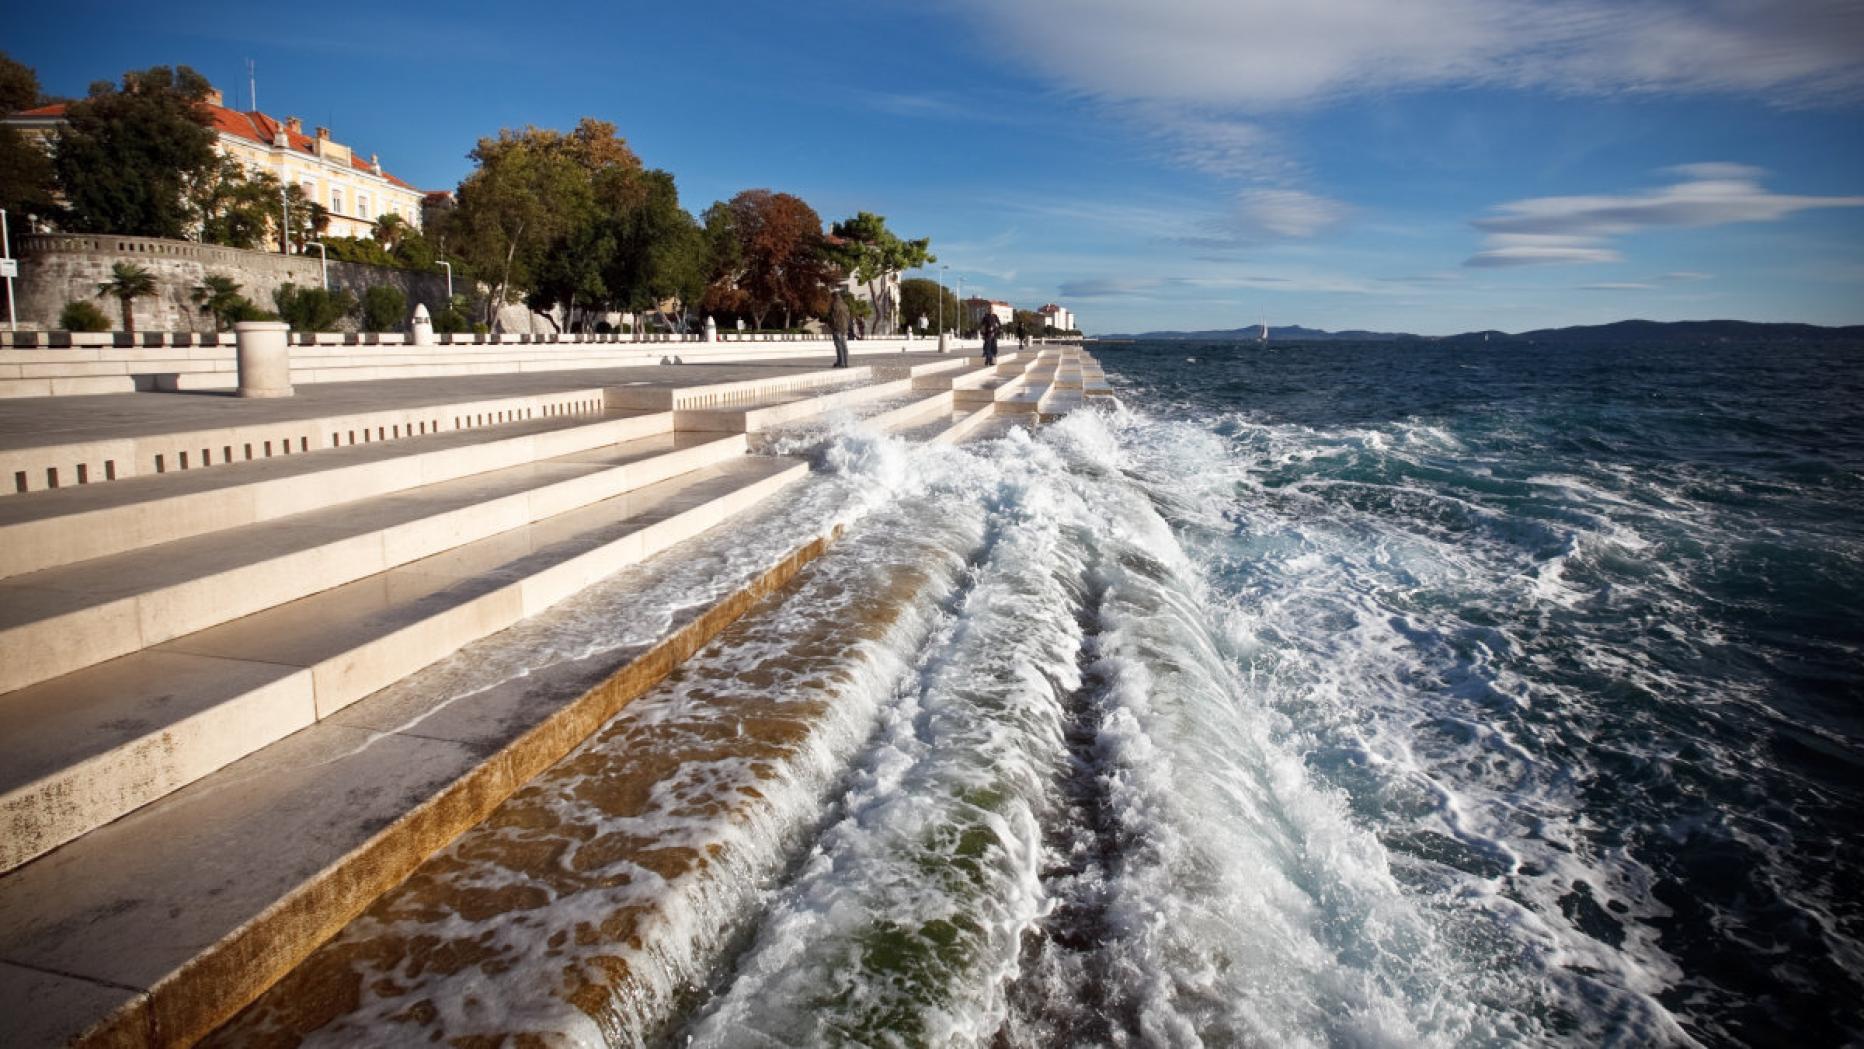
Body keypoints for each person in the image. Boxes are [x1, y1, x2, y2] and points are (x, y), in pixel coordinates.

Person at [829, 293, 852, 368]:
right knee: (844, 345)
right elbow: (848, 317)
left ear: (833, 297)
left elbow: (833, 318)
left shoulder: (834, 305)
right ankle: (845, 362)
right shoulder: (845, 305)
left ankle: (841, 362)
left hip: (837, 328)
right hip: (845, 328)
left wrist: (832, 326)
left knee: (839, 345)